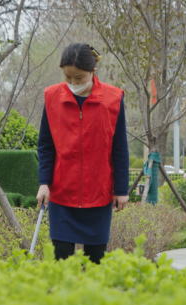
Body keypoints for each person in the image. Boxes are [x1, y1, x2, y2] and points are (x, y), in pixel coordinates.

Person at [36, 43, 129, 264]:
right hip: (61, 192)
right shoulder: (51, 97)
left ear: (93, 72)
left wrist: (121, 189)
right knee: (62, 259)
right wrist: (43, 182)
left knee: (96, 259)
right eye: (67, 77)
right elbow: (46, 146)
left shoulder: (113, 99)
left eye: (79, 78)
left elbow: (120, 147)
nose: (73, 83)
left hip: (98, 194)